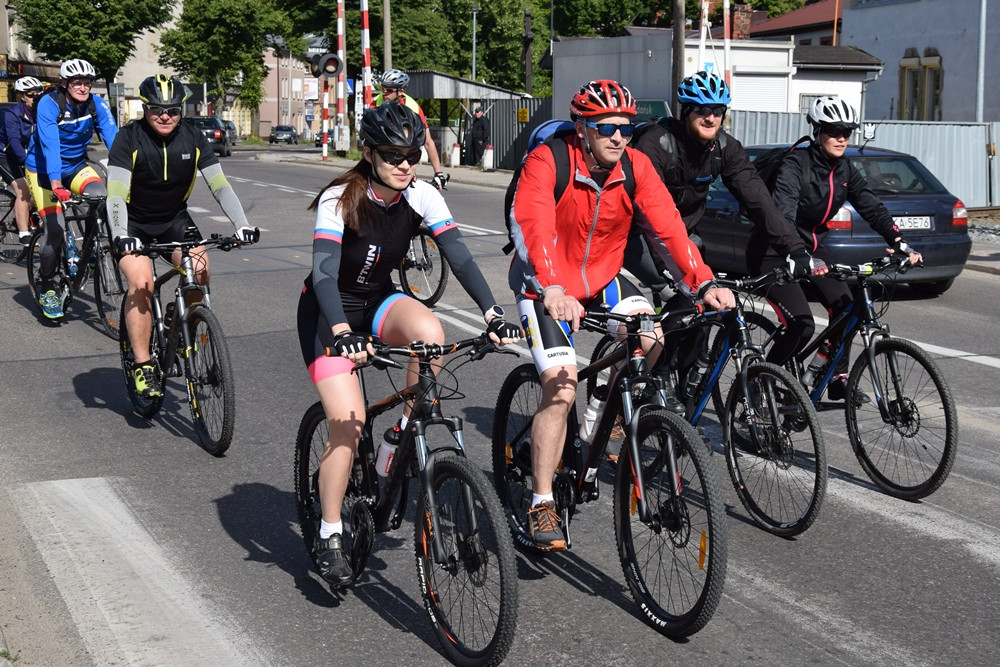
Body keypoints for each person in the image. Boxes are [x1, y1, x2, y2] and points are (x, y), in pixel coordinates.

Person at [297, 103, 520, 584]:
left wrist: (492, 312)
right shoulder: (341, 196)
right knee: (349, 425)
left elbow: (457, 254)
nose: (405, 164)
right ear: (368, 153)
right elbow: (323, 275)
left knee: (432, 335)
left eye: (413, 154)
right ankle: (330, 528)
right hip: (328, 313)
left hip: (377, 300)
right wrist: (341, 334)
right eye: (393, 154)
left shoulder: (420, 194)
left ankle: (400, 433)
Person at [507, 79, 735, 551]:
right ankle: (542, 502)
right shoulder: (548, 160)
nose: (618, 137)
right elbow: (532, 225)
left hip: (604, 278)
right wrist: (551, 286)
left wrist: (704, 281)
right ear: (582, 127)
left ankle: (605, 415)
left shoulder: (636, 166)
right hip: (544, 284)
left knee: (651, 340)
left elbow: (669, 227)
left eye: (626, 129)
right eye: (607, 127)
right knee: (562, 382)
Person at [630, 70, 821, 404]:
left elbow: (760, 201)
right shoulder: (656, 144)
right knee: (685, 293)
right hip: (640, 235)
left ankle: (686, 399)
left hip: (683, 235)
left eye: (718, 110)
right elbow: (650, 213)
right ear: (685, 111)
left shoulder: (725, 149)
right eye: (702, 109)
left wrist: (795, 249)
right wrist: (685, 276)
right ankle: (657, 376)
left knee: (706, 311)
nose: (711, 116)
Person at [752, 96, 922, 401]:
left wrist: (899, 242)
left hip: (812, 250)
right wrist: (797, 253)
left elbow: (871, 206)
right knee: (801, 324)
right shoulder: (795, 166)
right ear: (817, 131)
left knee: (847, 307)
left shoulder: (845, 170)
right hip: (772, 252)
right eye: (833, 130)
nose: (841, 137)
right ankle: (759, 380)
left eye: (847, 130)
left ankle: (833, 376)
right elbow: (783, 213)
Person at [107, 74, 260, 398]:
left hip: (174, 219)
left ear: (181, 110)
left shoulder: (192, 137)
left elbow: (219, 184)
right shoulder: (128, 137)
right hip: (132, 224)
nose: (165, 116)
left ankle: (176, 323)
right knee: (143, 282)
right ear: (145, 109)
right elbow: (117, 193)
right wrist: (120, 234)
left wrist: (242, 225)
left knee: (200, 269)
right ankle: (144, 364)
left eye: (173, 110)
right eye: (158, 110)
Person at [24, 58, 118, 319]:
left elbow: (114, 138)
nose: (83, 87)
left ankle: (89, 250)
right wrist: (55, 183)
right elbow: (50, 145)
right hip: (42, 169)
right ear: (64, 84)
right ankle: (47, 287)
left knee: (100, 194)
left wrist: (133, 170)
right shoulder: (49, 103)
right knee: (54, 229)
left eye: (87, 82)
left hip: (75, 166)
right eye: (77, 82)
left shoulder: (96, 104)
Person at [371, 69, 449, 190]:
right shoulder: (376, 103)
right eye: (383, 88)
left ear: (401, 91)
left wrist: (438, 173)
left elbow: (428, 142)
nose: (385, 93)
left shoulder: (413, 107)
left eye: (390, 90)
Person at [0, 76, 45, 246]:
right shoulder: (13, 114)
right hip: (6, 156)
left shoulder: (41, 112)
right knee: (24, 191)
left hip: (27, 155)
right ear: (23, 96)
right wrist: (25, 161)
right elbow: (14, 140)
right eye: (31, 95)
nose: (35, 98)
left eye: (38, 95)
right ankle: (23, 232)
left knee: (41, 188)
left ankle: (21, 216)